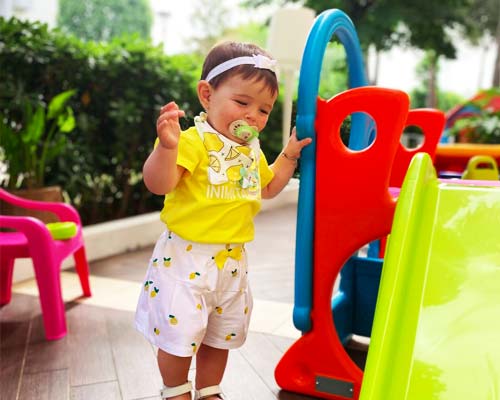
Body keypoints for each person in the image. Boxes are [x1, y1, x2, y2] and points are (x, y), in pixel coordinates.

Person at [135, 41, 312, 400]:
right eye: (242, 103)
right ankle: (175, 390)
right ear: (207, 95)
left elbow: (268, 187)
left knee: (221, 333)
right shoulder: (193, 141)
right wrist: (166, 149)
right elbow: (159, 184)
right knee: (178, 333)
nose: (252, 117)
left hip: (232, 260)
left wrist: (289, 156)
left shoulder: (251, 150)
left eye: (264, 110)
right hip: (185, 259)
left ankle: (210, 389)